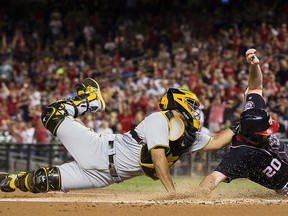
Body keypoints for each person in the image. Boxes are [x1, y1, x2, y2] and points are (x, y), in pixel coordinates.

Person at [0, 78, 208, 194]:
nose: (195, 110)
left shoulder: (183, 136)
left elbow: (217, 141)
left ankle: (13, 180)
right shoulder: (160, 120)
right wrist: (172, 192)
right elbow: (158, 156)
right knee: (51, 115)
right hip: (99, 149)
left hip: (104, 176)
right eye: (191, 105)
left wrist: (239, 126)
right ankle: (92, 100)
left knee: (44, 181)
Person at [197, 48, 288, 196]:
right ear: (254, 137)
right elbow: (214, 177)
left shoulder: (254, 115)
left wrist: (254, 66)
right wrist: (196, 195)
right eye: (266, 133)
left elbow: (255, 87)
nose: (270, 134)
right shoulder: (240, 154)